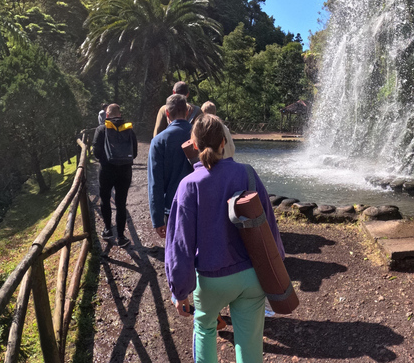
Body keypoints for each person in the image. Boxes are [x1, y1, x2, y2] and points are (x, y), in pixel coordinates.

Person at [166, 114, 284, 363]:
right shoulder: (247, 174)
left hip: (211, 280)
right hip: (252, 275)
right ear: (223, 142)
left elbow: (180, 245)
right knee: (250, 342)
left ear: (195, 146)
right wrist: (277, 270)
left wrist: (180, 291)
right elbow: (269, 226)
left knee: (205, 329)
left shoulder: (188, 185)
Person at [147, 94, 194, 238]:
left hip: (173, 205)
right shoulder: (200, 135)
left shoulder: (159, 141)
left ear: (167, 113)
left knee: (177, 249)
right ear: (187, 112)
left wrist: (157, 218)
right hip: (200, 202)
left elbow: (155, 183)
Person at [92, 103, 137, 247]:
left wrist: (106, 160)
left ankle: (107, 230)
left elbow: (96, 152)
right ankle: (121, 236)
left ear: (107, 115)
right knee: (121, 203)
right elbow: (134, 152)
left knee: (105, 199)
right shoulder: (128, 129)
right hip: (125, 171)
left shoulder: (101, 129)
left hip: (106, 171)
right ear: (120, 114)